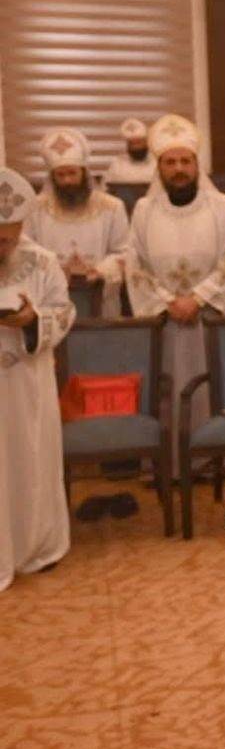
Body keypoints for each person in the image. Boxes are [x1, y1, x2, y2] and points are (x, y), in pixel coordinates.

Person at [125, 114, 225, 445]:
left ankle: (211, 456)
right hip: (165, 323)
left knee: (210, 392)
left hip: (208, 320)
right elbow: (136, 266)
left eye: (185, 161)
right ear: (159, 168)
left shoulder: (221, 206)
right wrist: (168, 302)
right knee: (168, 392)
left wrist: (198, 298)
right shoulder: (144, 210)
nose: (179, 169)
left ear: (196, 165)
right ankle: (170, 460)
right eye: (170, 162)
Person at [0, 165, 74, 593]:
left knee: (30, 462)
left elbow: (63, 312)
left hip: (27, 383)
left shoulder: (42, 261)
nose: (2, 245)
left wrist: (32, 320)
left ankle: (35, 547)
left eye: (7, 239)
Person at [22, 127, 129, 313]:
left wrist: (98, 271)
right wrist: (55, 271)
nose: (67, 181)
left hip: (100, 301)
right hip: (49, 302)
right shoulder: (34, 209)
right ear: (52, 177)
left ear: (83, 173)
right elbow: (25, 254)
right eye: (61, 175)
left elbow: (124, 253)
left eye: (72, 173)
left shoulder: (112, 207)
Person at [103, 117, 157, 186]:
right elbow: (107, 187)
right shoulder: (117, 164)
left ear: (146, 143)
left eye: (139, 142)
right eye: (132, 144)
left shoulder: (156, 163)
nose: (136, 147)